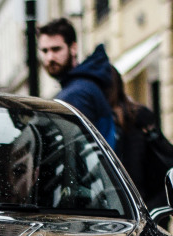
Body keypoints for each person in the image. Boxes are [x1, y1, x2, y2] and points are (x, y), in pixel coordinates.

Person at [37, 18, 116, 147]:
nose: (50, 57)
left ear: (73, 48)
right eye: (45, 51)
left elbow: (77, 151)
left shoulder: (75, 94)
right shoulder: (86, 83)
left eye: (56, 49)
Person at [107, 65, 173, 213]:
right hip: (150, 207)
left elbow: (136, 170)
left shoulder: (133, 119)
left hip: (144, 209)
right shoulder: (134, 115)